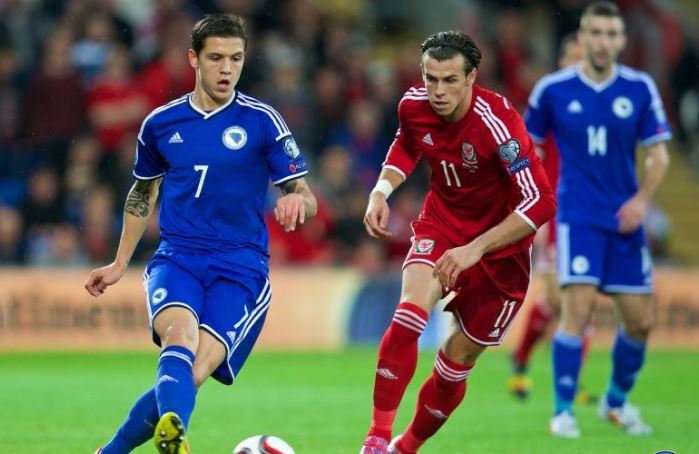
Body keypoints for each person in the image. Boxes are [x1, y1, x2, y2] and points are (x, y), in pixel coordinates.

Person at [84, 14, 317, 454]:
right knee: (179, 338)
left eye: (236, 58)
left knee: (190, 375)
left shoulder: (262, 121)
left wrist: (295, 201)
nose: (227, 69)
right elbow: (143, 192)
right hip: (178, 257)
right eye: (216, 58)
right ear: (194, 59)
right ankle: (176, 443)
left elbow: (305, 194)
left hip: (241, 266)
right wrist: (119, 263)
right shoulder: (161, 124)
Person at [360, 31, 556, 454]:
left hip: (501, 253)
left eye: (450, 80)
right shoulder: (413, 105)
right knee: (408, 315)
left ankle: (404, 448)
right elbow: (406, 143)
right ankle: (376, 439)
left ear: (471, 78)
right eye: (430, 79)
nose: (438, 91)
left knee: (454, 365)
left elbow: (541, 201)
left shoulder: (498, 124)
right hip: (442, 224)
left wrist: (475, 249)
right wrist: (380, 191)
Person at [525, 1, 671, 438]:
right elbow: (527, 149)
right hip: (578, 216)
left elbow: (659, 154)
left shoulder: (639, 88)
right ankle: (563, 412)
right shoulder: (552, 90)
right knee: (577, 310)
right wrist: (534, 205)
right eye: (595, 33)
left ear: (622, 40)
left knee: (640, 322)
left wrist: (642, 201)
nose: (603, 42)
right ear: (582, 37)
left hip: (625, 219)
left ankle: (616, 401)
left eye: (611, 34)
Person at [507, 33, 595, 401]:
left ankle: (560, 378)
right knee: (562, 301)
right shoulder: (550, 102)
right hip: (555, 214)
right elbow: (526, 155)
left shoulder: (599, 105)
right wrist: (530, 207)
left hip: (589, 214)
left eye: (584, 58)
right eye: (573, 56)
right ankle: (525, 359)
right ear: (562, 61)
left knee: (582, 302)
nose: (579, 64)